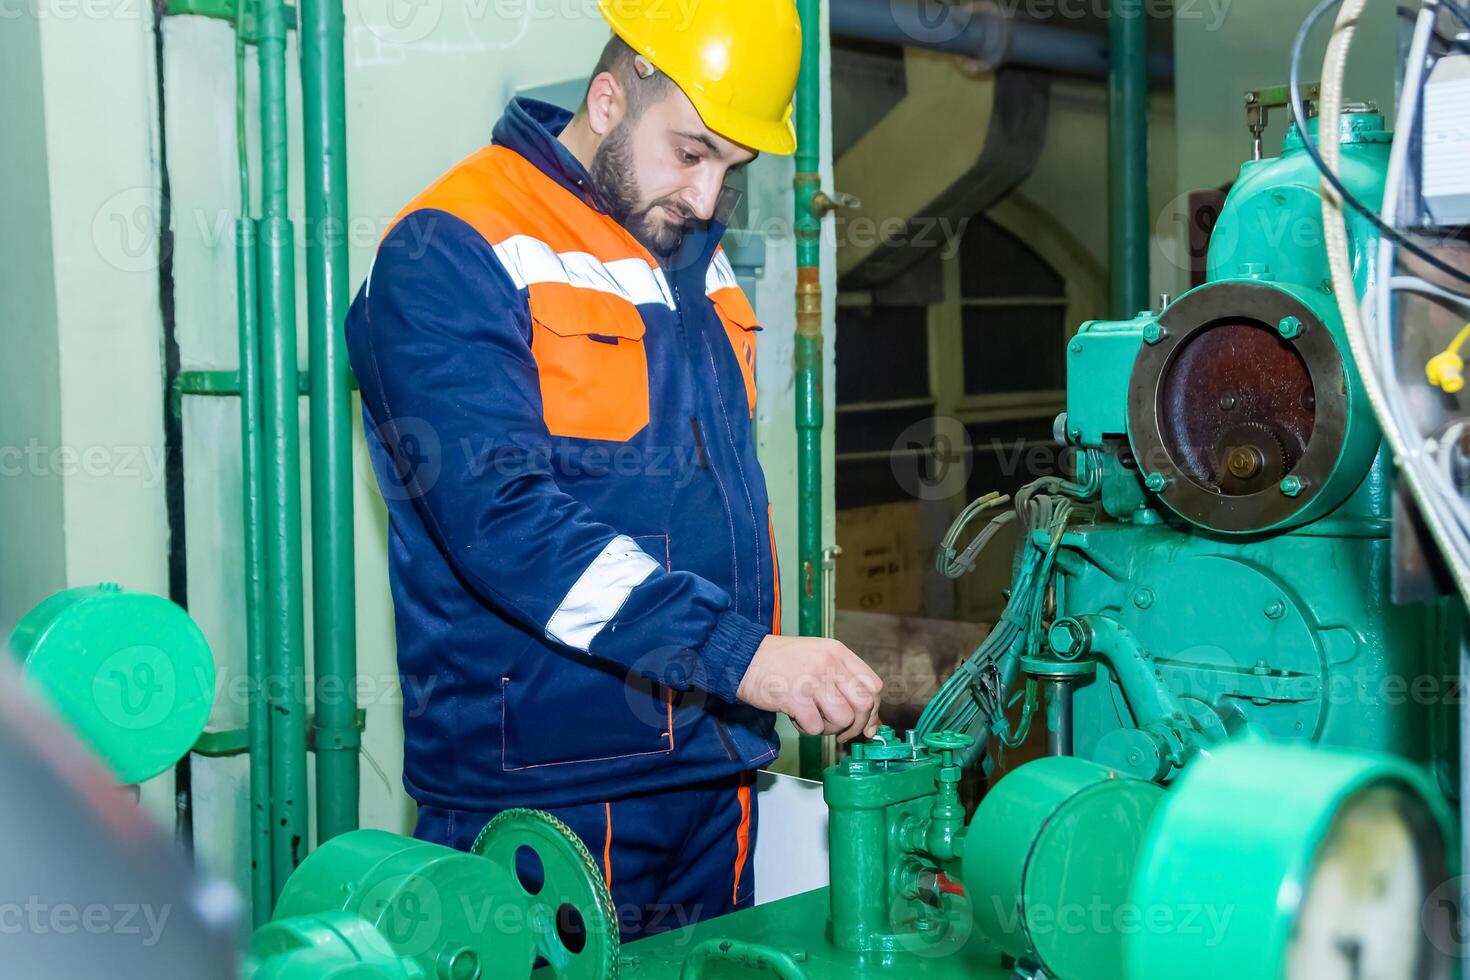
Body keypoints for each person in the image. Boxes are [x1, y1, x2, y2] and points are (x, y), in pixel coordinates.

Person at [345, 0, 882, 940]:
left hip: (712, 773)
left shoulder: (691, 258)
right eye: (691, 151)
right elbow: (504, 522)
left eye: (732, 169)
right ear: (606, 98)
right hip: (549, 798)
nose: (709, 198)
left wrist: (747, 677)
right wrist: (743, 655)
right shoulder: (450, 250)